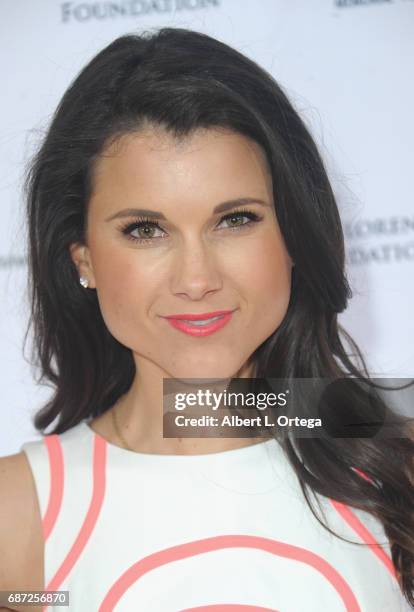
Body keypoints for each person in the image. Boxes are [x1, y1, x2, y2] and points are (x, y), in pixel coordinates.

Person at [0, 26, 413, 612]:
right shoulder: (19, 522)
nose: (197, 280)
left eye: (235, 220)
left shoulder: (395, 466)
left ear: (294, 234)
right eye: (145, 230)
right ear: (84, 259)